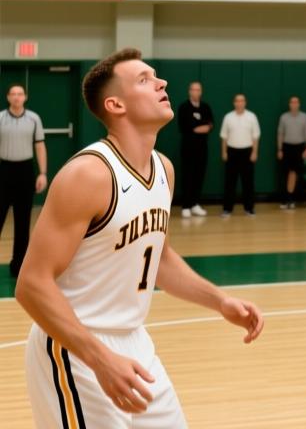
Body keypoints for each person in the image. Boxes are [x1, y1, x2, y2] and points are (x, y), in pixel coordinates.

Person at [15, 48, 263, 427]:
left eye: (156, 76)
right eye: (144, 79)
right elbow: (31, 285)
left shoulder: (163, 169)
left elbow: (159, 258)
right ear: (115, 104)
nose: (161, 82)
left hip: (135, 341)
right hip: (75, 346)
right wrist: (98, 358)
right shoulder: (89, 174)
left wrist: (220, 301)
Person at [0, 84, 47, 278]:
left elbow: (40, 146)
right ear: (8, 97)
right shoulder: (0, 118)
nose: (17, 97)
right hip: (3, 170)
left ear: (25, 97)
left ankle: (18, 266)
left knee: (22, 222)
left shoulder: (34, 118)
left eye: (20, 94)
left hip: (25, 171)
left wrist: (42, 173)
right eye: (13, 94)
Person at [176, 81, 213, 218]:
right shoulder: (184, 107)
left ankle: (195, 204)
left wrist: (199, 127)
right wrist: (199, 127)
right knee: (187, 176)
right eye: (193, 89)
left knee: (199, 176)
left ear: (201, 92)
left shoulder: (205, 107)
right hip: (188, 148)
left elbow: (210, 125)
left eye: (198, 89)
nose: (195, 92)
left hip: (202, 149)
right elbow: (185, 126)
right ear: (189, 91)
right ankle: (185, 206)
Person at [219, 94, 259, 218]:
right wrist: (224, 152)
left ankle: (249, 208)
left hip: (247, 152)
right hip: (232, 152)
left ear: (245, 102)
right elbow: (224, 137)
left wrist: (254, 152)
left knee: (248, 182)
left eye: (242, 100)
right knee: (230, 182)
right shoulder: (228, 117)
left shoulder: (252, 116)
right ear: (234, 103)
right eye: (237, 100)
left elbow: (256, 136)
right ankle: (227, 209)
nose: (239, 103)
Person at [277, 95, 306, 210]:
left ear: (299, 104)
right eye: (292, 102)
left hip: (299, 147)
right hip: (286, 147)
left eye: (296, 102)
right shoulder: (284, 117)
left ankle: (291, 199)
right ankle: (285, 199)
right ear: (289, 104)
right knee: (285, 173)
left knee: (294, 173)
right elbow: (280, 133)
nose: (294, 104)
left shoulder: (305, 117)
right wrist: (280, 149)